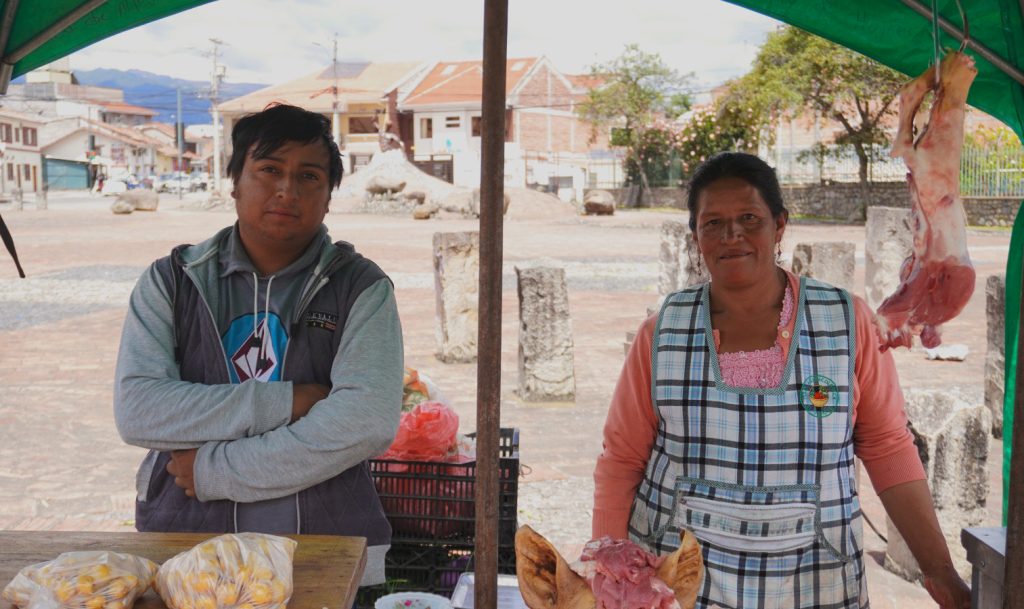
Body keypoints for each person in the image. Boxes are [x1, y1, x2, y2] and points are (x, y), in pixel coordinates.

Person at [592, 152, 970, 609]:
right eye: (713, 223)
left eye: (749, 218)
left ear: (780, 225)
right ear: (695, 237)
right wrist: (609, 573)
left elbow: (888, 445)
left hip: (816, 581)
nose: (732, 235)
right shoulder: (661, 332)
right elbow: (621, 461)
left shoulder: (846, 321)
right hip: (676, 584)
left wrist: (939, 568)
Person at [114, 103, 402, 586]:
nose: (287, 189)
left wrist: (215, 470)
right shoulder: (172, 280)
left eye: (309, 176)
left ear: (329, 197)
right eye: (269, 169)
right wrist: (289, 400)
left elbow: (365, 421)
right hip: (185, 540)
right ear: (234, 182)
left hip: (322, 544)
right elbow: (140, 409)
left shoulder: (361, 287)